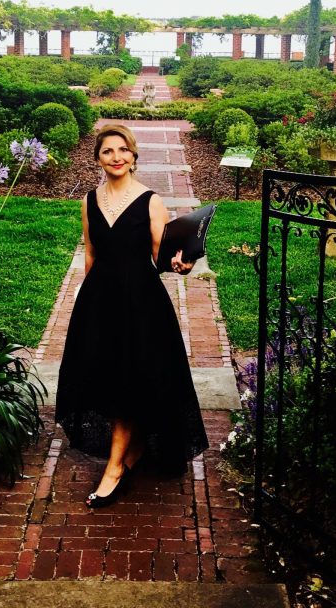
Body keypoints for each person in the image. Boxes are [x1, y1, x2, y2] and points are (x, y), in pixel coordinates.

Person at [55, 124, 209, 509]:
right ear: (98, 159)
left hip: (140, 303)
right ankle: (135, 446)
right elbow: (91, 253)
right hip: (101, 301)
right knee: (110, 377)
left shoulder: (150, 201)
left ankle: (114, 469)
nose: (116, 157)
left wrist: (181, 263)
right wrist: (87, 303)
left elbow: (163, 256)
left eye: (123, 150)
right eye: (108, 151)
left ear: (134, 155)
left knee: (128, 380)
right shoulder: (89, 201)